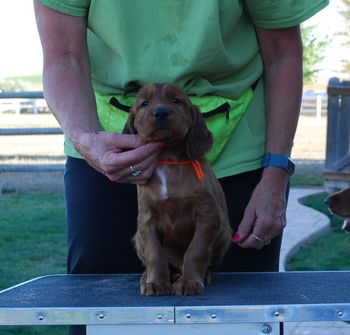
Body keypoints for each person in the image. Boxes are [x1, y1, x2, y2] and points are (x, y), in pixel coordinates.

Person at [34, 1, 328, 334]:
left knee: (239, 317)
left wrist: (275, 174)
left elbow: (282, 53)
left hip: (236, 150)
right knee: (103, 312)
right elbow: (63, 58)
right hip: (111, 148)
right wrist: (88, 141)